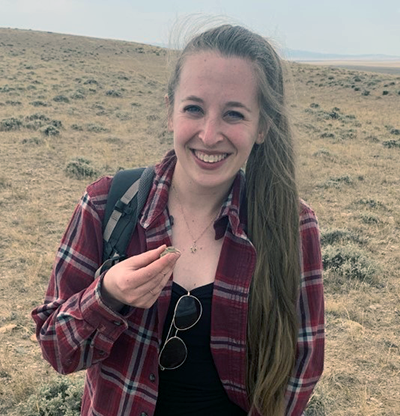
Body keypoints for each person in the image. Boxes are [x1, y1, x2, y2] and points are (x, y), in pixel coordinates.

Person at [32, 24, 324, 416]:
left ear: (263, 127)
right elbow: (55, 347)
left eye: (234, 114)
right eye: (194, 109)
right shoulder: (106, 204)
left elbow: (300, 368)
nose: (209, 133)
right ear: (170, 111)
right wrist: (108, 294)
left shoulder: (291, 224)